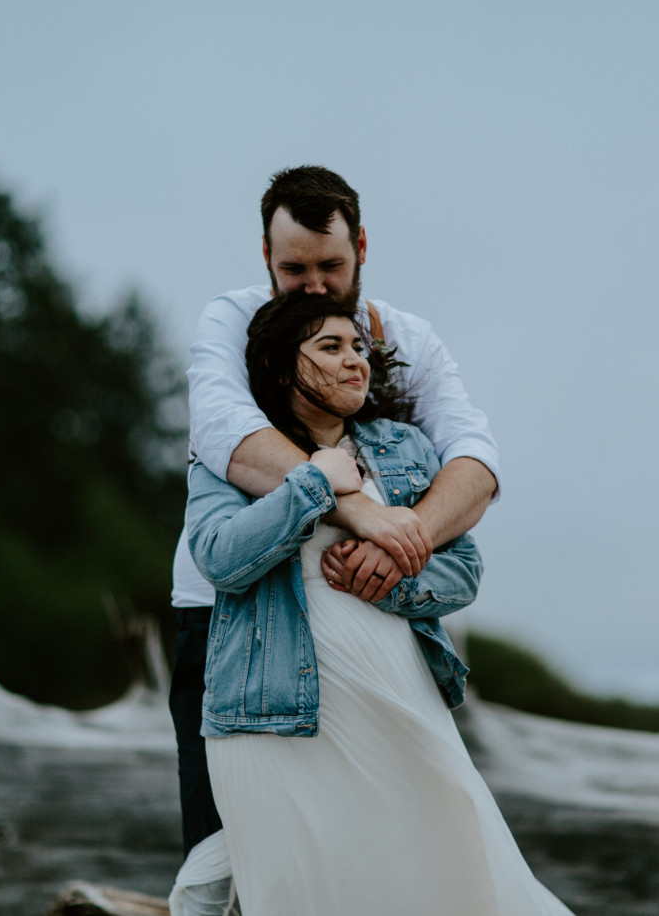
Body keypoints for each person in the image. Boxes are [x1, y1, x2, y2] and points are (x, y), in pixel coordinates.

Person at [184, 292, 571, 914]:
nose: (355, 361)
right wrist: (315, 482)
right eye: (331, 347)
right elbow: (220, 558)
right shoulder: (229, 456)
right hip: (276, 711)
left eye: (359, 347)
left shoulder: (405, 447)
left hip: (399, 698)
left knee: (449, 870)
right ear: (284, 366)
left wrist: (392, 571)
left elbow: (464, 570)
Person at [169, 168, 500, 871]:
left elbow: (473, 460)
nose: (315, 285)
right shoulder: (233, 322)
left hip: (377, 636)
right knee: (226, 855)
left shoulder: (405, 339)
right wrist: (356, 507)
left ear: (362, 249)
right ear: (265, 256)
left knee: (394, 857)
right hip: (233, 624)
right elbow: (225, 431)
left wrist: (402, 546)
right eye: (295, 269)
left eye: (331, 266)